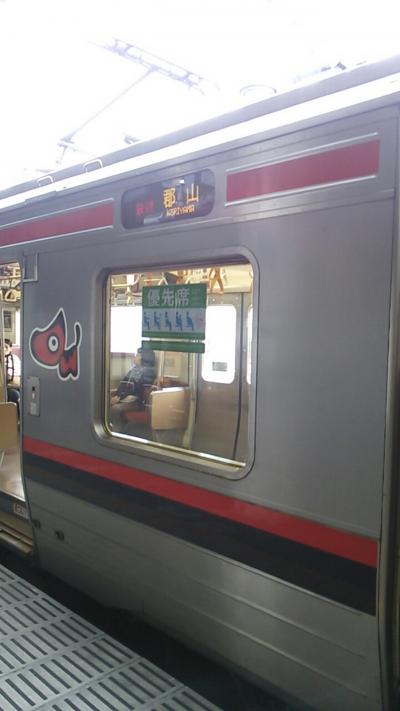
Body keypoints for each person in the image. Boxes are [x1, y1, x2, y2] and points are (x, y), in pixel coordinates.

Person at [110, 348, 156, 430]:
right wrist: (116, 396)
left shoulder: (148, 372)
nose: (134, 357)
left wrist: (119, 398)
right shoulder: (134, 369)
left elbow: (138, 391)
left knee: (115, 409)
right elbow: (123, 385)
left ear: (143, 358)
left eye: (137, 355)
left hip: (135, 401)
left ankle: (117, 431)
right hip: (124, 397)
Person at [4, 338, 20, 418]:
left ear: (11, 348)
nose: (4, 349)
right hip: (7, 386)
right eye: (2, 347)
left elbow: (21, 371)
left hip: (19, 383)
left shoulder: (15, 358)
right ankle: (17, 419)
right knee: (15, 395)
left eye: (6, 347)